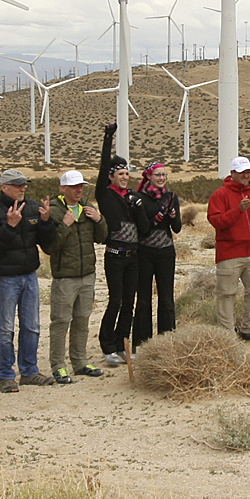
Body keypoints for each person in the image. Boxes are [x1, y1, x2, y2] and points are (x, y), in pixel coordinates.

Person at [0, 168, 60, 392]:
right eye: (17, 184)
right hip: (5, 279)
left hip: (29, 276)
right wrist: (10, 226)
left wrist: (45, 221)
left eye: (24, 184)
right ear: (4, 188)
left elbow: (45, 243)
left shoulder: (32, 207)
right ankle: (6, 376)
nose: (23, 188)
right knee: (5, 329)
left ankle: (30, 371)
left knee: (31, 326)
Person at [46, 168, 106, 383]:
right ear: (63, 188)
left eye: (81, 186)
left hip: (87, 274)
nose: (79, 190)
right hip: (65, 276)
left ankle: (79, 362)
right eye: (74, 186)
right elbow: (50, 245)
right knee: (61, 321)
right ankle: (58, 365)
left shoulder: (88, 207)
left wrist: (100, 220)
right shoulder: (54, 211)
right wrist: (65, 225)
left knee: (82, 320)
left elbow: (102, 238)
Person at [207, 155, 250, 342]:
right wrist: (238, 210)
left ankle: (248, 328)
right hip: (229, 253)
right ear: (233, 173)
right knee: (226, 294)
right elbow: (217, 221)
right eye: (242, 172)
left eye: (248, 171)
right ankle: (226, 334)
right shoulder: (220, 195)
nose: (246, 175)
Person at [94, 123, 139, 365]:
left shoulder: (133, 197)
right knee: (116, 300)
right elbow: (102, 167)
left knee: (129, 302)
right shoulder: (105, 194)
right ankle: (107, 345)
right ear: (111, 176)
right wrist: (108, 137)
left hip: (133, 257)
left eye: (126, 174)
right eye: (120, 174)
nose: (124, 177)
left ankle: (124, 343)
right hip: (114, 255)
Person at [132, 162, 184, 347]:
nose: (161, 178)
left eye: (164, 175)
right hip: (144, 252)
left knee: (167, 298)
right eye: (157, 175)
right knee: (144, 299)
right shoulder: (139, 198)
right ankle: (142, 344)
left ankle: (167, 341)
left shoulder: (171, 197)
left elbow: (177, 227)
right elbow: (142, 229)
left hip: (166, 252)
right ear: (148, 177)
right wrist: (156, 219)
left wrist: (171, 216)